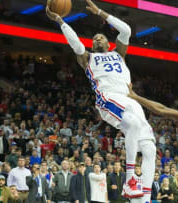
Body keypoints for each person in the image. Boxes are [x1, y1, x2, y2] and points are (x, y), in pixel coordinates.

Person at [45, 0, 156, 200]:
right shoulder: (88, 58)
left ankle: (144, 198)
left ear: (108, 43)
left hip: (130, 99)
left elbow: (126, 30)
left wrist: (100, 12)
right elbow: (76, 44)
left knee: (150, 148)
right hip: (108, 97)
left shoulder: (118, 54)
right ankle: (130, 180)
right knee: (130, 123)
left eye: (100, 37)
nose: (96, 39)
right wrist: (61, 20)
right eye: (94, 38)